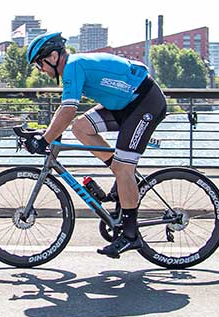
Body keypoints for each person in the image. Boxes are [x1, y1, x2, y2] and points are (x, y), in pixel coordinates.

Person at [23, 32, 168, 258]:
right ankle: (122, 178)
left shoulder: (72, 66)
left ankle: (131, 235)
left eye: (39, 64)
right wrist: (48, 133)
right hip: (125, 105)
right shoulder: (73, 66)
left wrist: (45, 139)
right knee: (81, 128)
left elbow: (68, 109)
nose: (40, 70)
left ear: (52, 56)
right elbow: (67, 113)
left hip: (145, 103)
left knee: (124, 168)